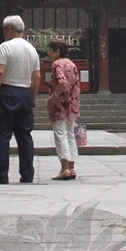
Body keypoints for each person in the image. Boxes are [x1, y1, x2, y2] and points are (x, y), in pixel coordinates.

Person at [0, 14, 40, 184]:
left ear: (8, 29)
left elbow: (0, 72)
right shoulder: (32, 49)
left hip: (8, 91)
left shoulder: (5, 46)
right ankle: (27, 174)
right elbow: (37, 76)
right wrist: (33, 97)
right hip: (25, 92)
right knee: (25, 135)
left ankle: (1, 173)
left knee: (3, 135)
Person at [44, 37, 82, 180]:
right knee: (70, 135)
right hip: (72, 103)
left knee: (60, 135)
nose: (48, 53)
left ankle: (63, 168)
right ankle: (71, 168)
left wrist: (53, 97)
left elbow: (63, 83)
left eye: (50, 50)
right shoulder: (72, 64)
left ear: (57, 51)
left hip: (60, 105)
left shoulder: (56, 64)